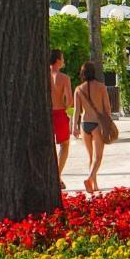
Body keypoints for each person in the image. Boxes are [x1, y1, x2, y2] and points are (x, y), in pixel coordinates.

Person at [73, 61, 112, 193]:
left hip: (85, 124)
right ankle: (89, 178)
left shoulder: (78, 89)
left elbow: (77, 111)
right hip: (97, 124)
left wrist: (74, 127)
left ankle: (95, 186)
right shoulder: (101, 88)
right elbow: (107, 108)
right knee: (98, 157)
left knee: (90, 157)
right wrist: (109, 123)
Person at [49, 50, 74, 189]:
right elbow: (69, 100)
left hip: (45, 113)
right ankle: (57, 177)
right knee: (64, 145)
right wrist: (67, 109)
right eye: (63, 58)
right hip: (59, 112)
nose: (63, 60)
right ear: (58, 60)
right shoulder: (64, 78)